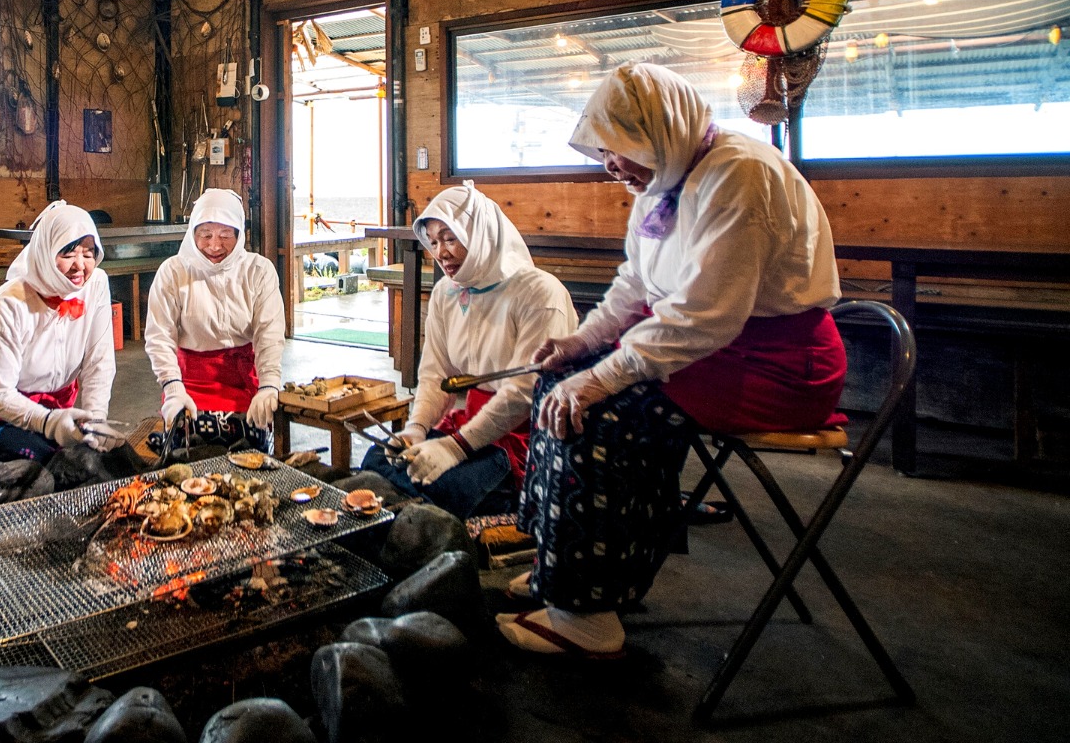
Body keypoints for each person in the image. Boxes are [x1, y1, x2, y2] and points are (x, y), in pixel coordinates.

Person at [499, 62, 846, 658]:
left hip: (776, 362)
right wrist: (581, 345)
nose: (611, 165)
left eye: (621, 148)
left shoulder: (738, 173)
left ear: (662, 133)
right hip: (714, 347)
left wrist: (600, 378)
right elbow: (636, 284)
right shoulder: (666, 178)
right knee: (557, 380)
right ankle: (563, 563)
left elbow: (706, 315)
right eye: (605, 150)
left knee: (600, 415)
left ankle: (585, 614)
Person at [361, 182, 577, 518]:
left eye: (450, 239)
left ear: (480, 233)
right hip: (469, 423)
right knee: (378, 459)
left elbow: (525, 392)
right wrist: (417, 428)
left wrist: (456, 447)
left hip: (523, 433)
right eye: (433, 242)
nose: (440, 252)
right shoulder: (447, 292)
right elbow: (435, 373)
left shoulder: (539, 293)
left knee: (443, 486)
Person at [0, 201, 128, 465]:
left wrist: (95, 421)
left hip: (54, 410)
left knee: (103, 459)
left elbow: (99, 361)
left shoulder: (96, 284)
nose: (80, 266)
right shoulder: (9, 303)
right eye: (68, 254)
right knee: (50, 469)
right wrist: (49, 422)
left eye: (89, 253)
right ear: (45, 251)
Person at [143, 189, 285, 453]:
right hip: (190, 384)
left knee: (251, 457)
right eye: (206, 235)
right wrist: (172, 387)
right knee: (187, 455)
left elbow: (270, 333)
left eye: (225, 235)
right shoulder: (173, 272)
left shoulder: (258, 270)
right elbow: (159, 336)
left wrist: (268, 384)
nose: (215, 245)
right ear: (192, 233)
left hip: (244, 382)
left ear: (240, 234)